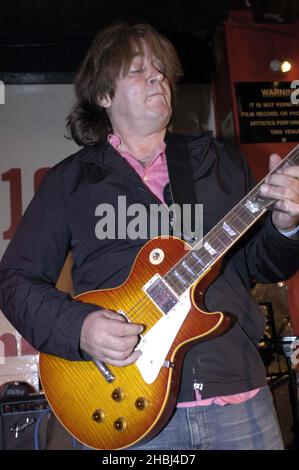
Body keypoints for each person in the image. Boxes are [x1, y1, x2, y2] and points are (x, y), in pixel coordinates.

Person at [0, 22, 299, 451]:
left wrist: (286, 226)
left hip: (235, 396)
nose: (157, 77)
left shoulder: (219, 163)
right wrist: (80, 328)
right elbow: (13, 279)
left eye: (160, 69)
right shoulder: (71, 181)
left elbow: (261, 263)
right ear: (104, 96)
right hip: (122, 408)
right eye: (138, 70)